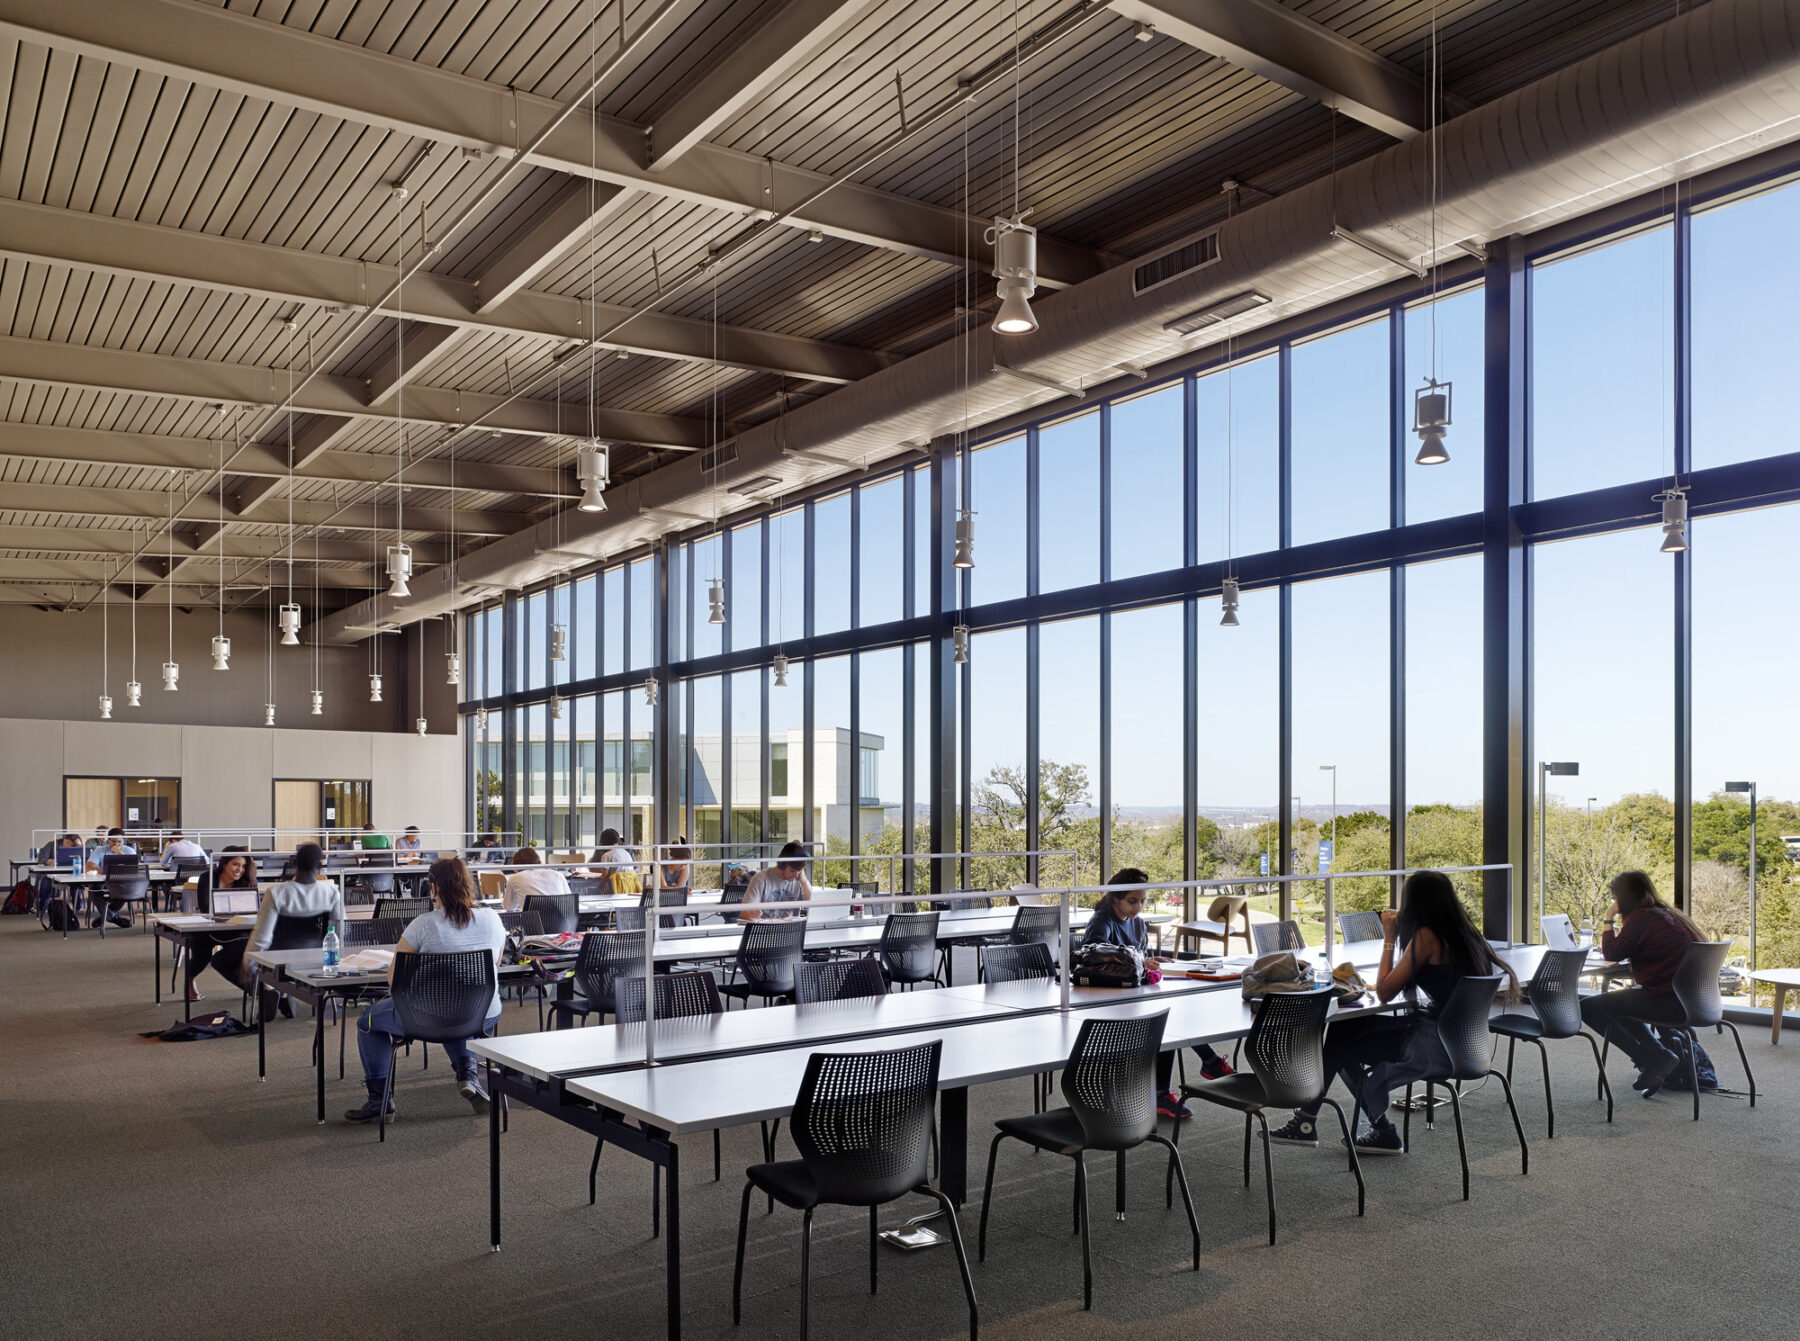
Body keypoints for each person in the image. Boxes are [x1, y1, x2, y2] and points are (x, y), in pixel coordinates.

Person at [1268, 869, 1517, 1155]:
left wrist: (1389, 938)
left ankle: (1312, 1123)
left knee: (1340, 1040)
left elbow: (1386, 992)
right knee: (1343, 1034)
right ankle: (1356, 1126)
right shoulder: (1466, 933)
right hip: (1462, 1043)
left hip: (1432, 1045)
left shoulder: (1427, 936)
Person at [345, 856, 505, 1122]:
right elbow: (495, 963)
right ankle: (468, 1074)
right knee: (456, 1011)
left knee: (367, 1020)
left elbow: (395, 979)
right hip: (483, 1013)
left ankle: (379, 1102)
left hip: (430, 1016)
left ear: (433, 888)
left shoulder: (424, 923)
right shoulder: (492, 918)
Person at [1082, 869, 1234, 1119]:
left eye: (1142, 901)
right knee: (1167, 1019)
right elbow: (1094, 959)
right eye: (1132, 901)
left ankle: (1191, 1074)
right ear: (1115, 898)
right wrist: (1140, 963)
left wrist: (1150, 960)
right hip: (1108, 1000)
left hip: (1134, 993)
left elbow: (1136, 957)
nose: (1138, 908)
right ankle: (1199, 1068)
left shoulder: (1138, 923)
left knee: (1172, 1012)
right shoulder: (1102, 921)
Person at [1578, 870, 1705, 1095]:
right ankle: (1656, 1058)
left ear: (1622, 898)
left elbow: (1611, 953)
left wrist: (1609, 917)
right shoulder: (1667, 914)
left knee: (1588, 1007)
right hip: (1696, 1001)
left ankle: (1653, 1059)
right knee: (1619, 1003)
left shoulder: (1641, 918)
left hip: (1667, 1003)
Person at [179, 848, 259, 1002]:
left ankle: (256, 990)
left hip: (236, 929)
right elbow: (205, 907)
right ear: (224, 863)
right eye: (236, 864)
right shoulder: (207, 878)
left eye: (243, 866)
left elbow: (252, 908)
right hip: (209, 929)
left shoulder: (247, 880)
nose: (240, 870)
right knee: (201, 955)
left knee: (240, 954)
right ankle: (189, 979)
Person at [85, 828, 141, 929]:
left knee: (125, 890)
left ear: (123, 841)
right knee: (93, 889)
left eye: (119, 841)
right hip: (102, 883)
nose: (116, 844)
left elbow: (132, 869)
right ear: (108, 841)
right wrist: (106, 871)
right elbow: (89, 866)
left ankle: (106, 916)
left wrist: (120, 854)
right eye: (113, 841)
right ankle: (114, 918)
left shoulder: (129, 851)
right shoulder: (100, 850)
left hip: (121, 883)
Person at [741, 842, 811, 920]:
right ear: (782, 864)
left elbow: (813, 905)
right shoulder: (760, 879)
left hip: (790, 929)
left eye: (800, 870)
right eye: (792, 871)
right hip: (765, 929)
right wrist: (751, 915)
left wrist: (804, 882)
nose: (796, 875)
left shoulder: (800, 879)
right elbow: (743, 913)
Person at [501, 846, 571, 913]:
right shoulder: (557, 874)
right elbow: (569, 900)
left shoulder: (515, 877)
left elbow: (509, 907)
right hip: (562, 923)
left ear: (515, 864)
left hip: (532, 923)